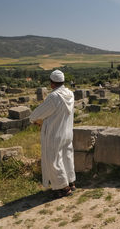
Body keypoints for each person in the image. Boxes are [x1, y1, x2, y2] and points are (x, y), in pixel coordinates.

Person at [30, 70, 76, 198]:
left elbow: (38, 113)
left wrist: (33, 119)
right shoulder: (70, 94)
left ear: (52, 83)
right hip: (67, 131)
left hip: (55, 133)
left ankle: (63, 187)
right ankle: (71, 182)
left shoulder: (54, 96)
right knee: (67, 157)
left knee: (54, 159)